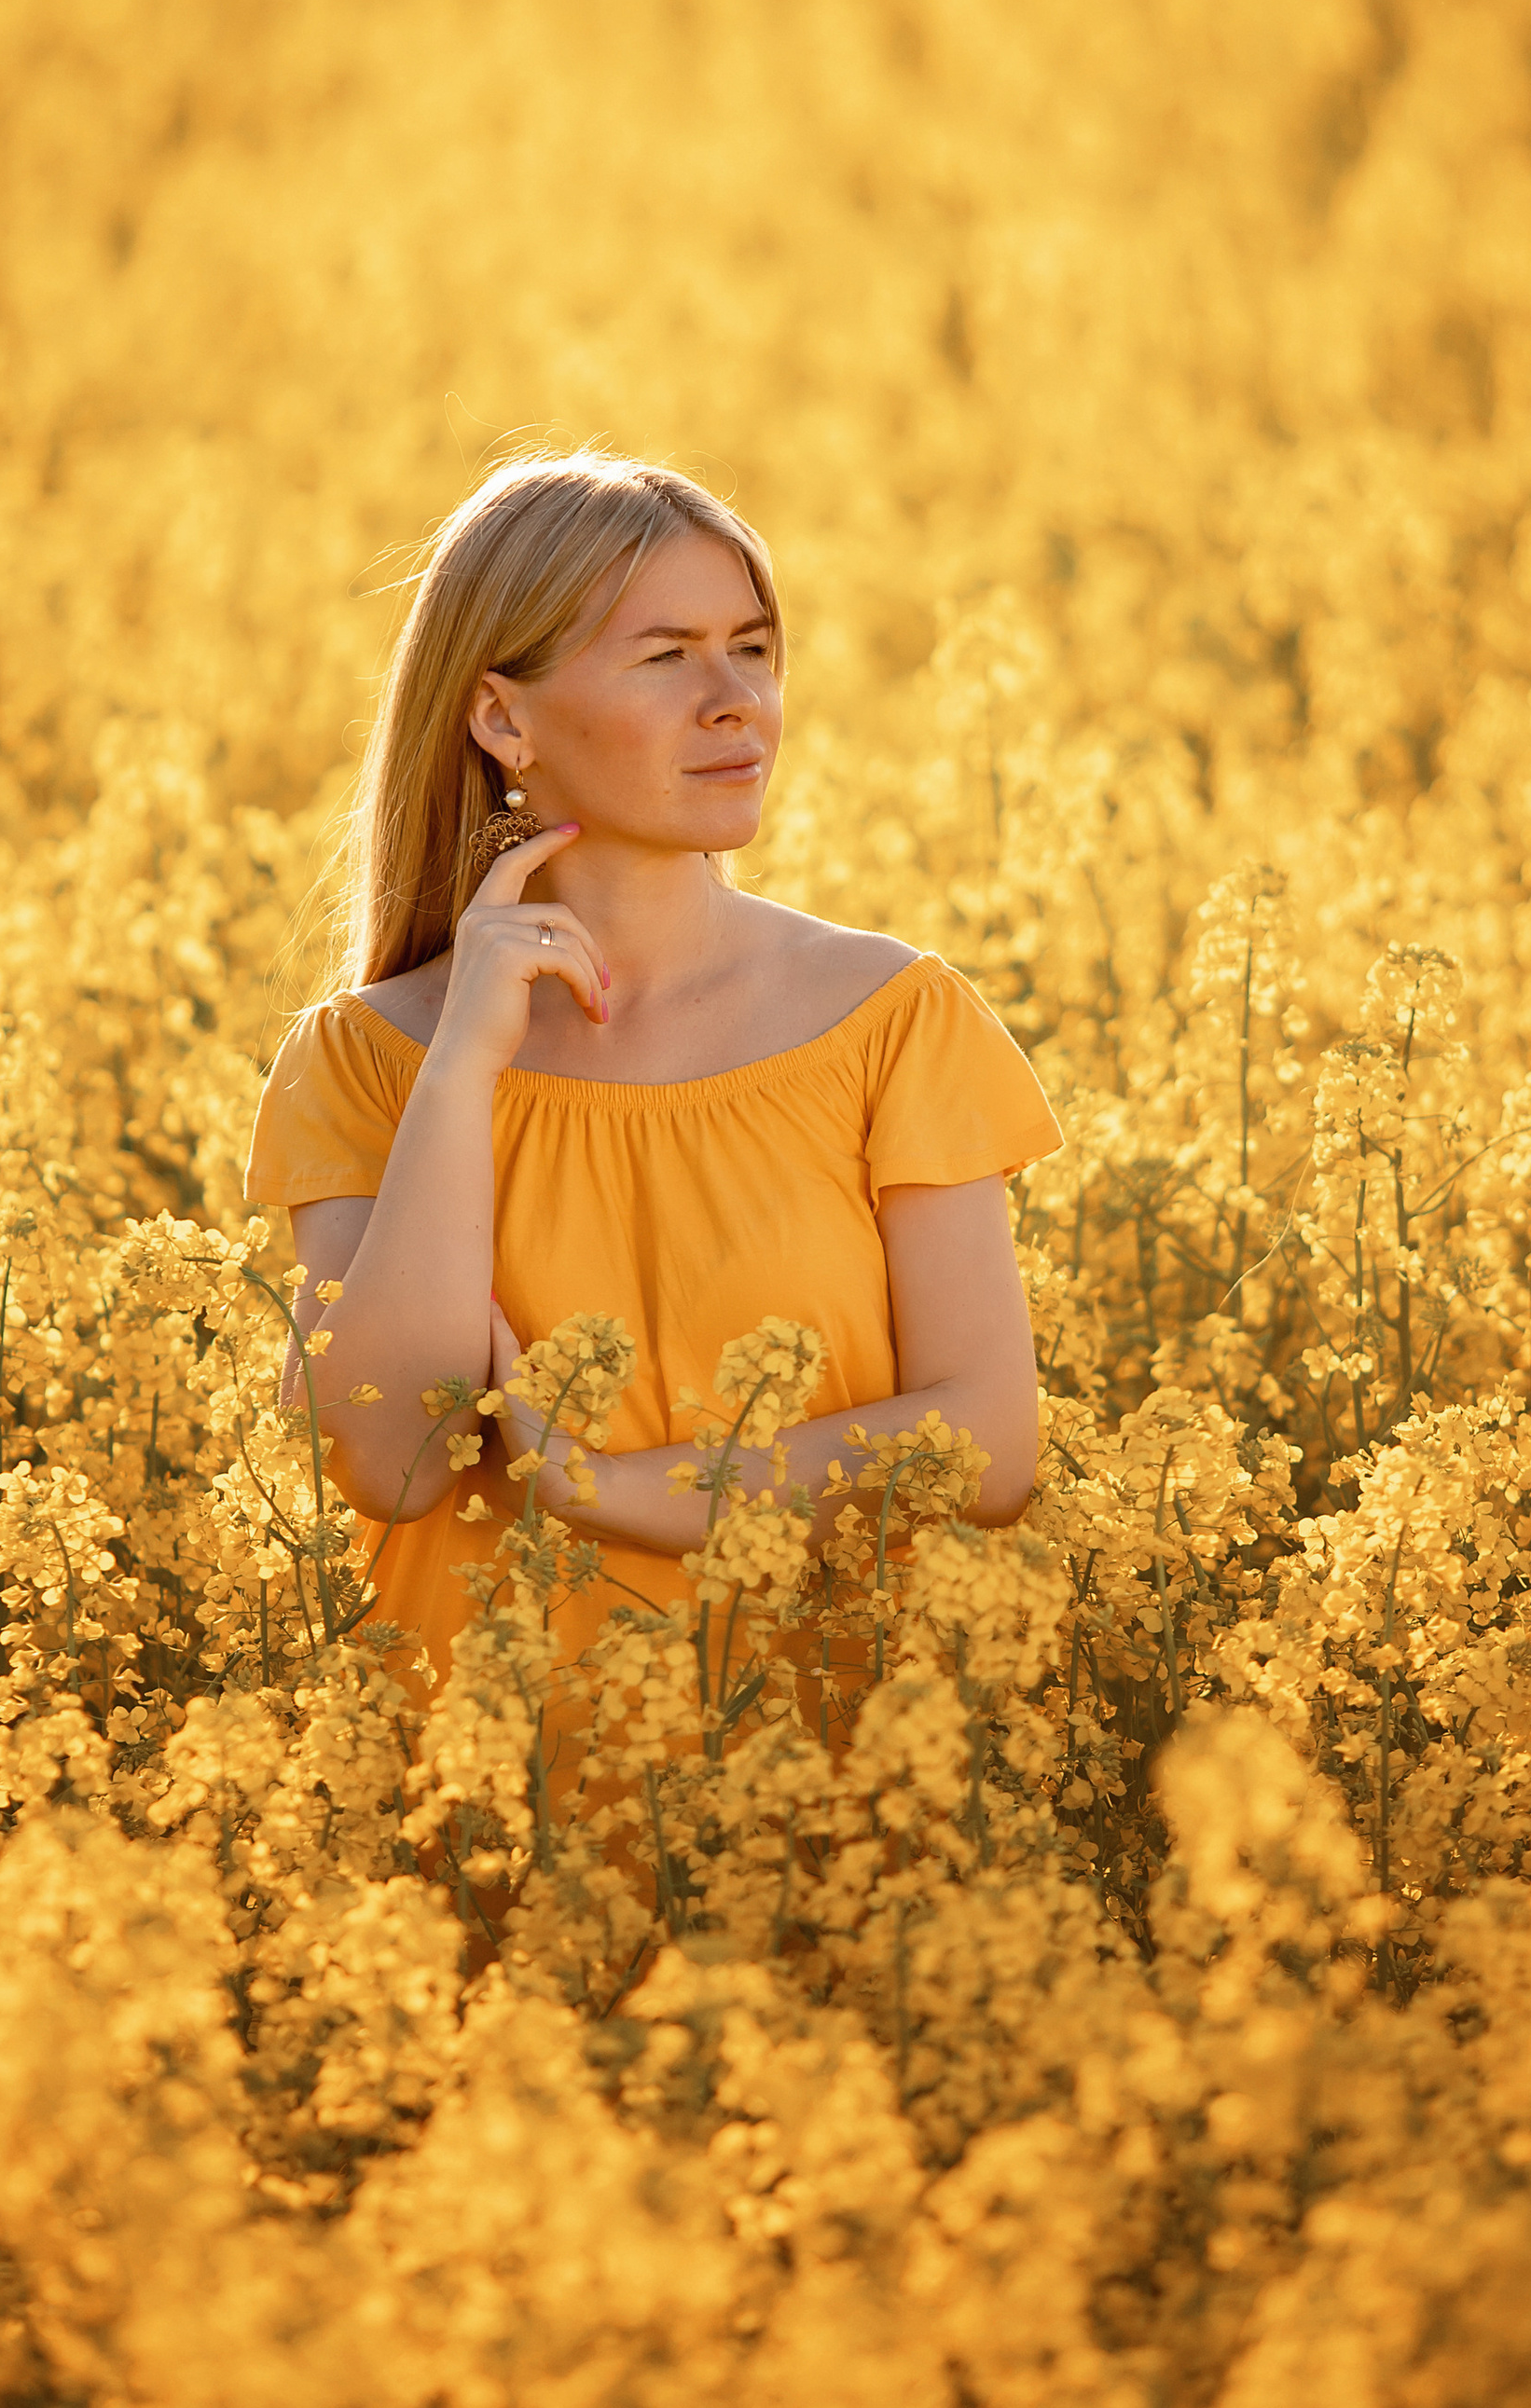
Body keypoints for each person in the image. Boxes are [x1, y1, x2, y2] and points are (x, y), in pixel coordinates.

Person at [242, 449, 1061, 1684]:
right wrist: (462, 1064)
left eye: (754, 647)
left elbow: (989, 1444)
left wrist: (621, 1492)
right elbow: (393, 1465)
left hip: (834, 1800)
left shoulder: (893, 1021)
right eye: (667, 655)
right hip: (491, 1808)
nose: (735, 699)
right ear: (502, 717)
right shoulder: (368, 1061)